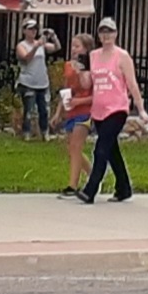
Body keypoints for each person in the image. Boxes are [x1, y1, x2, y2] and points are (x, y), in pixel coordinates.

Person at [77, 18, 148, 204]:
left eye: (109, 31)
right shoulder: (93, 56)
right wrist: (81, 70)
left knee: (100, 150)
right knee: (111, 150)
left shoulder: (122, 56)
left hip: (117, 108)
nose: (106, 35)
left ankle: (90, 190)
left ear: (116, 34)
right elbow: (88, 83)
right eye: (102, 32)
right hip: (99, 109)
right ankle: (123, 188)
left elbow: (132, 84)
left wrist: (141, 110)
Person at [59, 32, 96, 199]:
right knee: (71, 148)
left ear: (86, 49)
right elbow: (67, 89)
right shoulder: (68, 66)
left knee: (76, 146)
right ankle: (93, 175)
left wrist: (81, 71)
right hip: (71, 110)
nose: (74, 49)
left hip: (85, 111)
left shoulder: (93, 68)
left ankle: (72, 185)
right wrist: (59, 111)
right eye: (72, 46)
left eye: (77, 46)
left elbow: (94, 94)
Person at [15, 22, 58, 141]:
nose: (33, 31)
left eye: (35, 29)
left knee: (43, 110)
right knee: (29, 110)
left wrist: (53, 36)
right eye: (30, 29)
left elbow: (56, 48)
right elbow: (26, 58)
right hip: (28, 82)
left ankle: (45, 133)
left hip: (42, 82)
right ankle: (26, 133)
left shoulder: (41, 44)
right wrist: (36, 46)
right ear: (24, 31)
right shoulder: (21, 45)